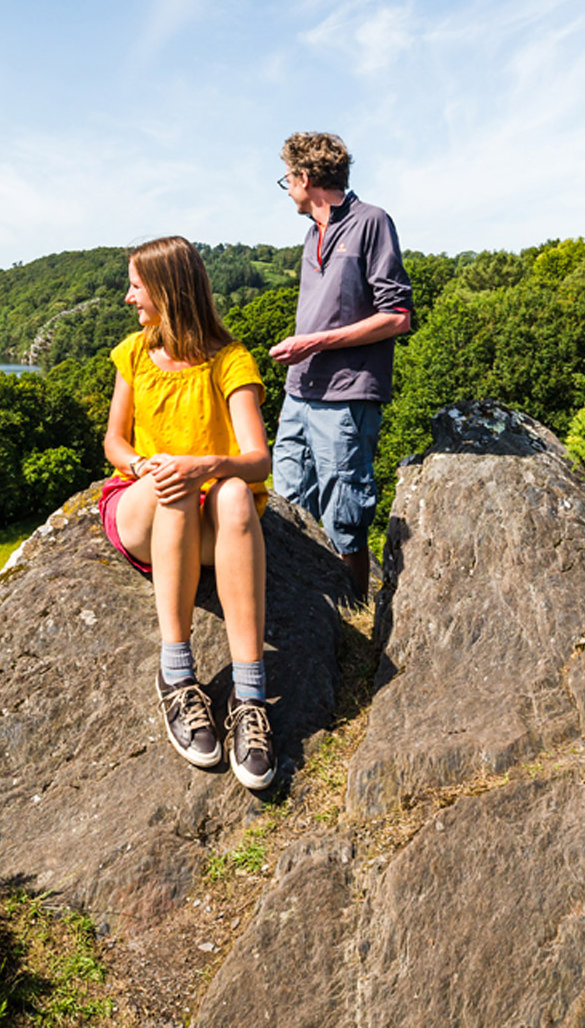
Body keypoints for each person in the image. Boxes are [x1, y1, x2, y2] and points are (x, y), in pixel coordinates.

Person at [100, 235, 278, 791]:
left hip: (207, 518)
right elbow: (113, 443)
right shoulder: (132, 354)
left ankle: (250, 696)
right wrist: (148, 464)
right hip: (142, 507)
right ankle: (177, 676)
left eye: (136, 286)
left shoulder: (231, 360)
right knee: (176, 485)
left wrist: (204, 465)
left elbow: (257, 461)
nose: (129, 298)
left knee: (230, 493)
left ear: (168, 291)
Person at [268, 132, 412, 598]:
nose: (287, 187)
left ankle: (355, 615)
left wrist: (314, 343)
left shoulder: (372, 222)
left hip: (347, 395)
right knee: (289, 505)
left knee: (345, 513)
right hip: (298, 393)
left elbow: (397, 317)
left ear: (306, 179)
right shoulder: (311, 234)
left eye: (287, 178)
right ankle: (308, 613)